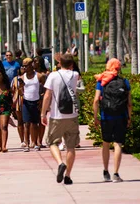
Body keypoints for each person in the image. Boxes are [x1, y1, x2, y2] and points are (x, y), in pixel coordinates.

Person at [41, 54, 80, 185]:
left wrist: (43, 113)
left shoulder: (53, 75)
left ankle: (60, 163)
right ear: (72, 64)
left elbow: (47, 96)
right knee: (71, 147)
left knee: (52, 142)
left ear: (59, 63)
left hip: (56, 116)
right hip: (72, 116)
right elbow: (75, 69)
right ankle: (68, 176)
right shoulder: (75, 75)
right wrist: (64, 61)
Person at [93, 58, 132, 183]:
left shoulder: (102, 81)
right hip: (121, 117)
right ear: (119, 68)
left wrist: (95, 117)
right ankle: (116, 173)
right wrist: (129, 117)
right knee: (118, 144)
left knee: (105, 143)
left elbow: (95, 100)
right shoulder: (125, 82)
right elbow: (129, 103)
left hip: (106, 117)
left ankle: (105, 171)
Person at [21, 58, 41, 151]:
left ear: (31, 65)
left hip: (36, 101)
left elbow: (45, 87)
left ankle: (36, 142)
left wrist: (42, 98)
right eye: (24, 66)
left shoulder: (39, 76)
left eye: (27, 65)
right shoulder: (22, 77)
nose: (25, 67)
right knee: (26, 124)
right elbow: (20, 89)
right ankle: (27, 143)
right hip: (26, 102)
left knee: (35, 123)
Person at [33, 56, 49, 147]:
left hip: (43, 99)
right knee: (34, 121)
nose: (35, 63)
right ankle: (34, 140)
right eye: (34, 61)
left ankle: (40, 141)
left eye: (37, 61)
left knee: (41, 120)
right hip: (33, 99)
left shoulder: (46, 73)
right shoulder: (31, 73)